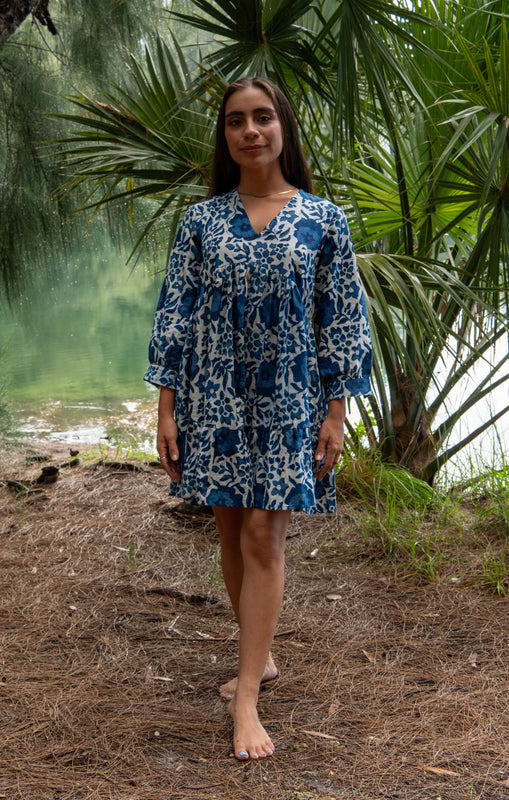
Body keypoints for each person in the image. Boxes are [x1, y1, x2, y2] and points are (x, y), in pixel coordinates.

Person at [144, 76, 372, 762]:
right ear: (226, 135)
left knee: (262, 537)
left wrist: (336, 412)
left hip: (291, 404)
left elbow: (343, 320)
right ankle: (261, 655)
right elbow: (174, 314)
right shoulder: (201, 221)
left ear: (283, 128)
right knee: (229, 527)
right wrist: (166, 407)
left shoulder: (323, 220)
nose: (250, 130)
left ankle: (245, 696)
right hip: (213, 398)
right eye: (236, 120)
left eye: (263, 118)